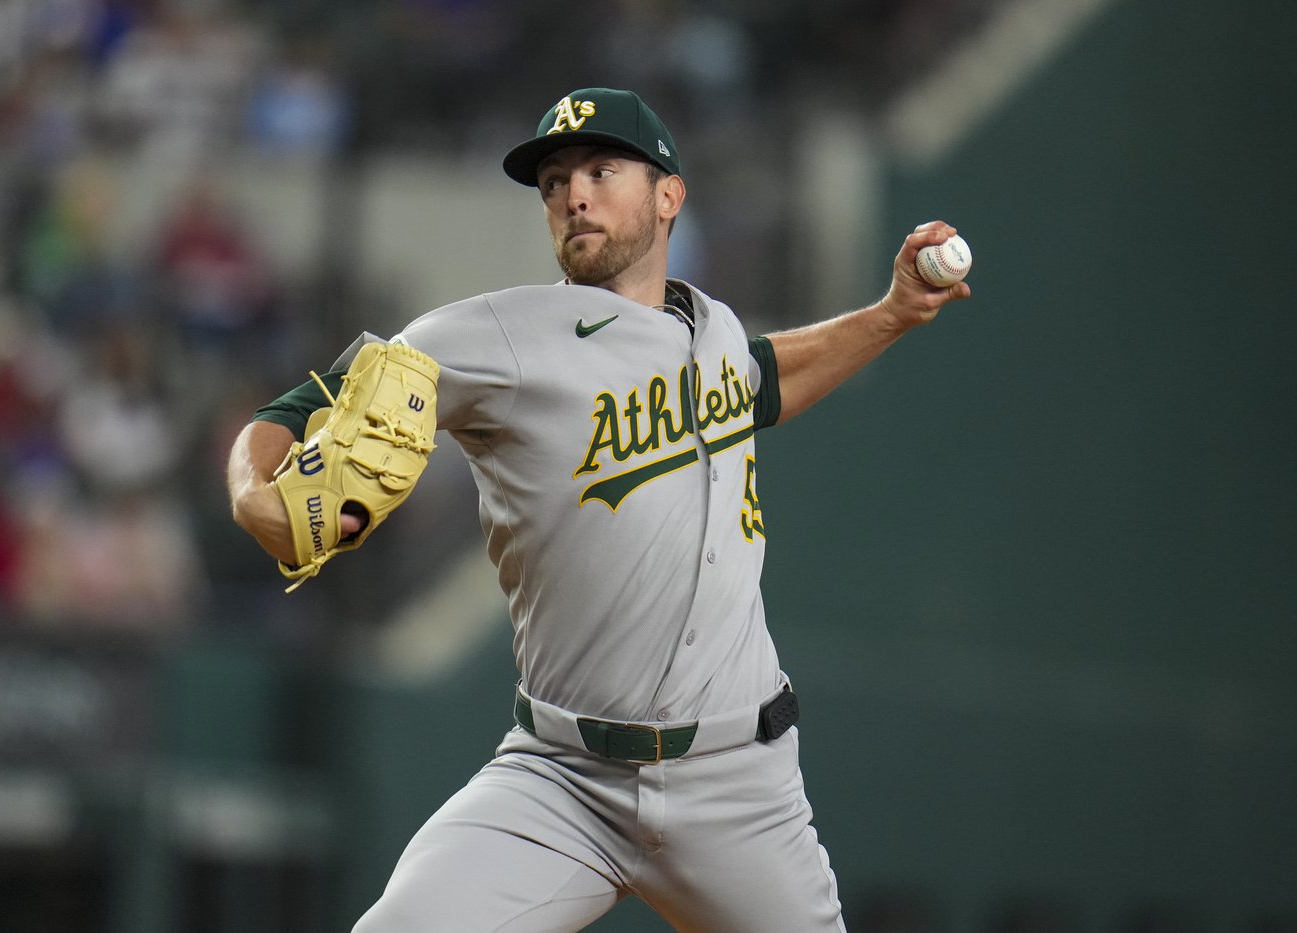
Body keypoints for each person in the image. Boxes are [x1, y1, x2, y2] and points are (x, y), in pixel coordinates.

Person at [227, 87, 971, 932]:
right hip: (561, 779)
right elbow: (294, 411)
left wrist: (892, 315)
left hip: (740, 784)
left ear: (668, 195)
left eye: (602, 169)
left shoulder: (718, 331)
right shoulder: (494, 337)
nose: (574, 193)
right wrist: (256, 494)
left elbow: (767, 378)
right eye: (554, 180)